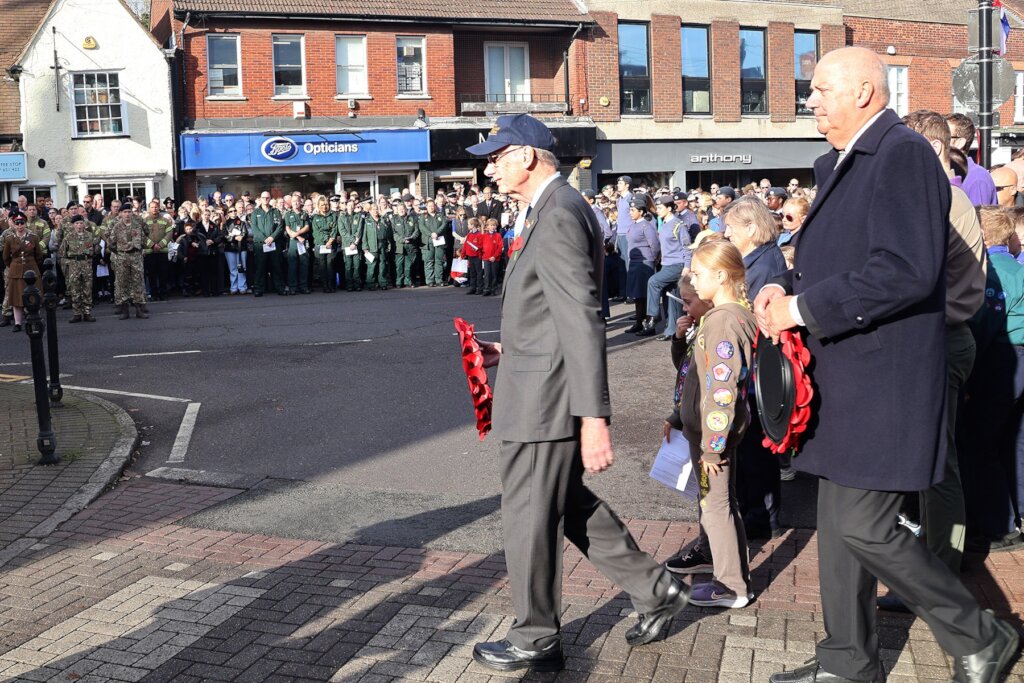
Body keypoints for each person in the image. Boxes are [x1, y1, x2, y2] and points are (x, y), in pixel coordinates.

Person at [756, 47, 1017, 683]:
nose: (809, 99)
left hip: (884, 381)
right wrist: (784, 285)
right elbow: (845, 260)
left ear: (868, 92)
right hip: (844, 377)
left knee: (866, 525)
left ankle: (980, 634)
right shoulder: (839, 160)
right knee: (839, 526)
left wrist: (803, 306)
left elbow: (904, 270)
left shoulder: (901, 154)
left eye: (820, 89)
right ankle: (850, 661)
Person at [466, 113, 688, 674]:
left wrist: (594, 416)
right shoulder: (550, 209)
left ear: (528, 157)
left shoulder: (559, 213)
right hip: (536, 382)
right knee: (565, 505)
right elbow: (552, 315)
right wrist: (507, 351)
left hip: (544, 402)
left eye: (497, 156)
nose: (489, 167)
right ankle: (655, 589)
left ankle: (536, 634)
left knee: (528, 514)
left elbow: (585, 320)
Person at [667, 238, 757, 607]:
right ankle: (730, 575)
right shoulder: (726, 315)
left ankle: (732, 585)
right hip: (708, 432)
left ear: (721, 275)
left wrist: (712, 446)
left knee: (715, 506)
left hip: (712, 436)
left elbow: (722, 390)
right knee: (720, 503)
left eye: (700, 273)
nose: (694, 279)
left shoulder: (722, 320)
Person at [639, 195, 690, 337]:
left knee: (653, 282)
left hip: (677, 264)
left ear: (669, 208)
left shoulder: (678, 225)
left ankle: (653, 315)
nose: (658, 210)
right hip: (666, 264)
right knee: (671, 299)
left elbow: (687, 247)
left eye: (660, 207)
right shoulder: (664, 223)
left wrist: (687, 266)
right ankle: (671, 331)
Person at [623, 197, 660, 334]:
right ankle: (639, 322)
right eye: (630, 210)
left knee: (645, 295)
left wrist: (654, 258)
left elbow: (654, 245)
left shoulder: (646, 225)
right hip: (634, 262)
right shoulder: (634, 225)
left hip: (644, 263)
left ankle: (648, 325)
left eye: (633, 210)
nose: (630, 213)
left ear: (641, 211)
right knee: (637, 295)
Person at [2, 212, 44, 332]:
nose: (20, 225)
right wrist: (13, 266)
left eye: (22, 223)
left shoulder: (33, 237)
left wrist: (32, 265)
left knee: (33, 296)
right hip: (15, 271)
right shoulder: (10, 239)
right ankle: (18, 323)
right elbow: (6, 257)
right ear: (14, 225)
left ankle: (35, 319)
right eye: (17, 223)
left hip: (31, 269)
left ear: (26, 224)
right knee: (16, 298)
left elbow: (39, 256)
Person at [106, 201, 149, 319]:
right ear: (120, 213)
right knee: (122, 282)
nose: (127, 214)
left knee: (138, 282)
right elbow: (110, 242)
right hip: (122, 257)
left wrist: (139, 249)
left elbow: (144, 239)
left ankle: (139, 309)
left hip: (136, 256)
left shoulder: (137, 225)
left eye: (129, 212)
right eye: (125, 212)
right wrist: (120, 251)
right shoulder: (117, 226)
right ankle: (125, 310)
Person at [946, 113, 999, 207]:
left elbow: (980, 219)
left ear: (960, 142)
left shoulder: (977, 178)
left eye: (945, 137)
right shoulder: (947, 171)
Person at [59, 214, 98, 322]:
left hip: (86, 263)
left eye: (81, 223)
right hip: (74, 264)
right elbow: (62, 253)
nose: (79, 225)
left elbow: (96, 250)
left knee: (87, 289)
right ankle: (76, 313)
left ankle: (87, 312)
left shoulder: (90, 236)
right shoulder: (68, 237)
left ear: (84, 224)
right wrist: (68, 264)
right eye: (77, 223)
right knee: (75, 289)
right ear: (73, 225)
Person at [250, 192, 285, 297]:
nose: (265, 199)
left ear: (270, 199)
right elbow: (254, 229)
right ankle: (258, 289)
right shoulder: (255, 213)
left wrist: (272, 237)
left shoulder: (276, 212)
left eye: (267, 198)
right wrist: (265, 239)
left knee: (277, 267)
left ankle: (280, 288)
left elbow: (280, 226)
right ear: (260, 199)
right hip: (261, 245)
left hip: (274, 244)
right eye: (263, 198)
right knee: (260, 268)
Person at [143, 199, 173, 300]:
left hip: (162, 251)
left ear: (159, 207)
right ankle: (154, 294)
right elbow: (142, 235)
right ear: (149, 209)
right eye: (152, 207)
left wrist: (160, 245)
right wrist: (152, 245)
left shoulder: (165, 220)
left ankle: (163, 293)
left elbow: (169, 234)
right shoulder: (144, 221)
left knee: (163, 274)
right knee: (151, 274)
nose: (154, 209)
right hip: (150, 252)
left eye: (156, 207)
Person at [310, 195, 337, 293]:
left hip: (331, 243)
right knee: (322, 266)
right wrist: (326, 240)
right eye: (322, 205)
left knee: (330, 265)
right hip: (320, 244)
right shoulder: (315, 217)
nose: (324, 207)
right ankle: (325, 286)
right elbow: (316, 232)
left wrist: (330, 241)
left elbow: (334, 229)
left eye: (326, 205)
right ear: (318, 205)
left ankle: (331, 285)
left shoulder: (333, 215)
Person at [418, 199, 447, 287]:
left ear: (435, 206)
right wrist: (431, 234)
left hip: (439, 241)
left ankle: (439, 280)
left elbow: (444, 224)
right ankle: (430, 281)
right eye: (429, 206)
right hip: (428, 242)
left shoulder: (440, 215)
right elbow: (421, 227)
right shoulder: (423, 216)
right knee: (429, 262)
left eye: (432, 205)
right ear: (426, 207)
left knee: (439, 261)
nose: (431, 207)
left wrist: (437, 233)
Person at [223, 207, 249, 294]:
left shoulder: (242, 223)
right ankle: (233, 287)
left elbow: (245, 233)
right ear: (228, 213)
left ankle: (242, 287)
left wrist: (241, 236)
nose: (233, 212)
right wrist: (234, 237)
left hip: (241, 248)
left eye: (235, 210)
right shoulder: (225, 224)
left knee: (241, 268)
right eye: (231, 211)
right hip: (230, 248)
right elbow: (225, 236)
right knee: (233, 269)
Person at [479, 217, 503, 296]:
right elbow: (481, 247)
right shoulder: (484, 236)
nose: (492, 227)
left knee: (494, 274)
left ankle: (493, 289)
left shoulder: (498, 235)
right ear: (487, 226)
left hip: (495, 259)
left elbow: (500, 247)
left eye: (494, 225)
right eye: (491, 225)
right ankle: (486, 289)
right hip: (486, 258)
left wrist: (494, 256)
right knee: (487, 274)